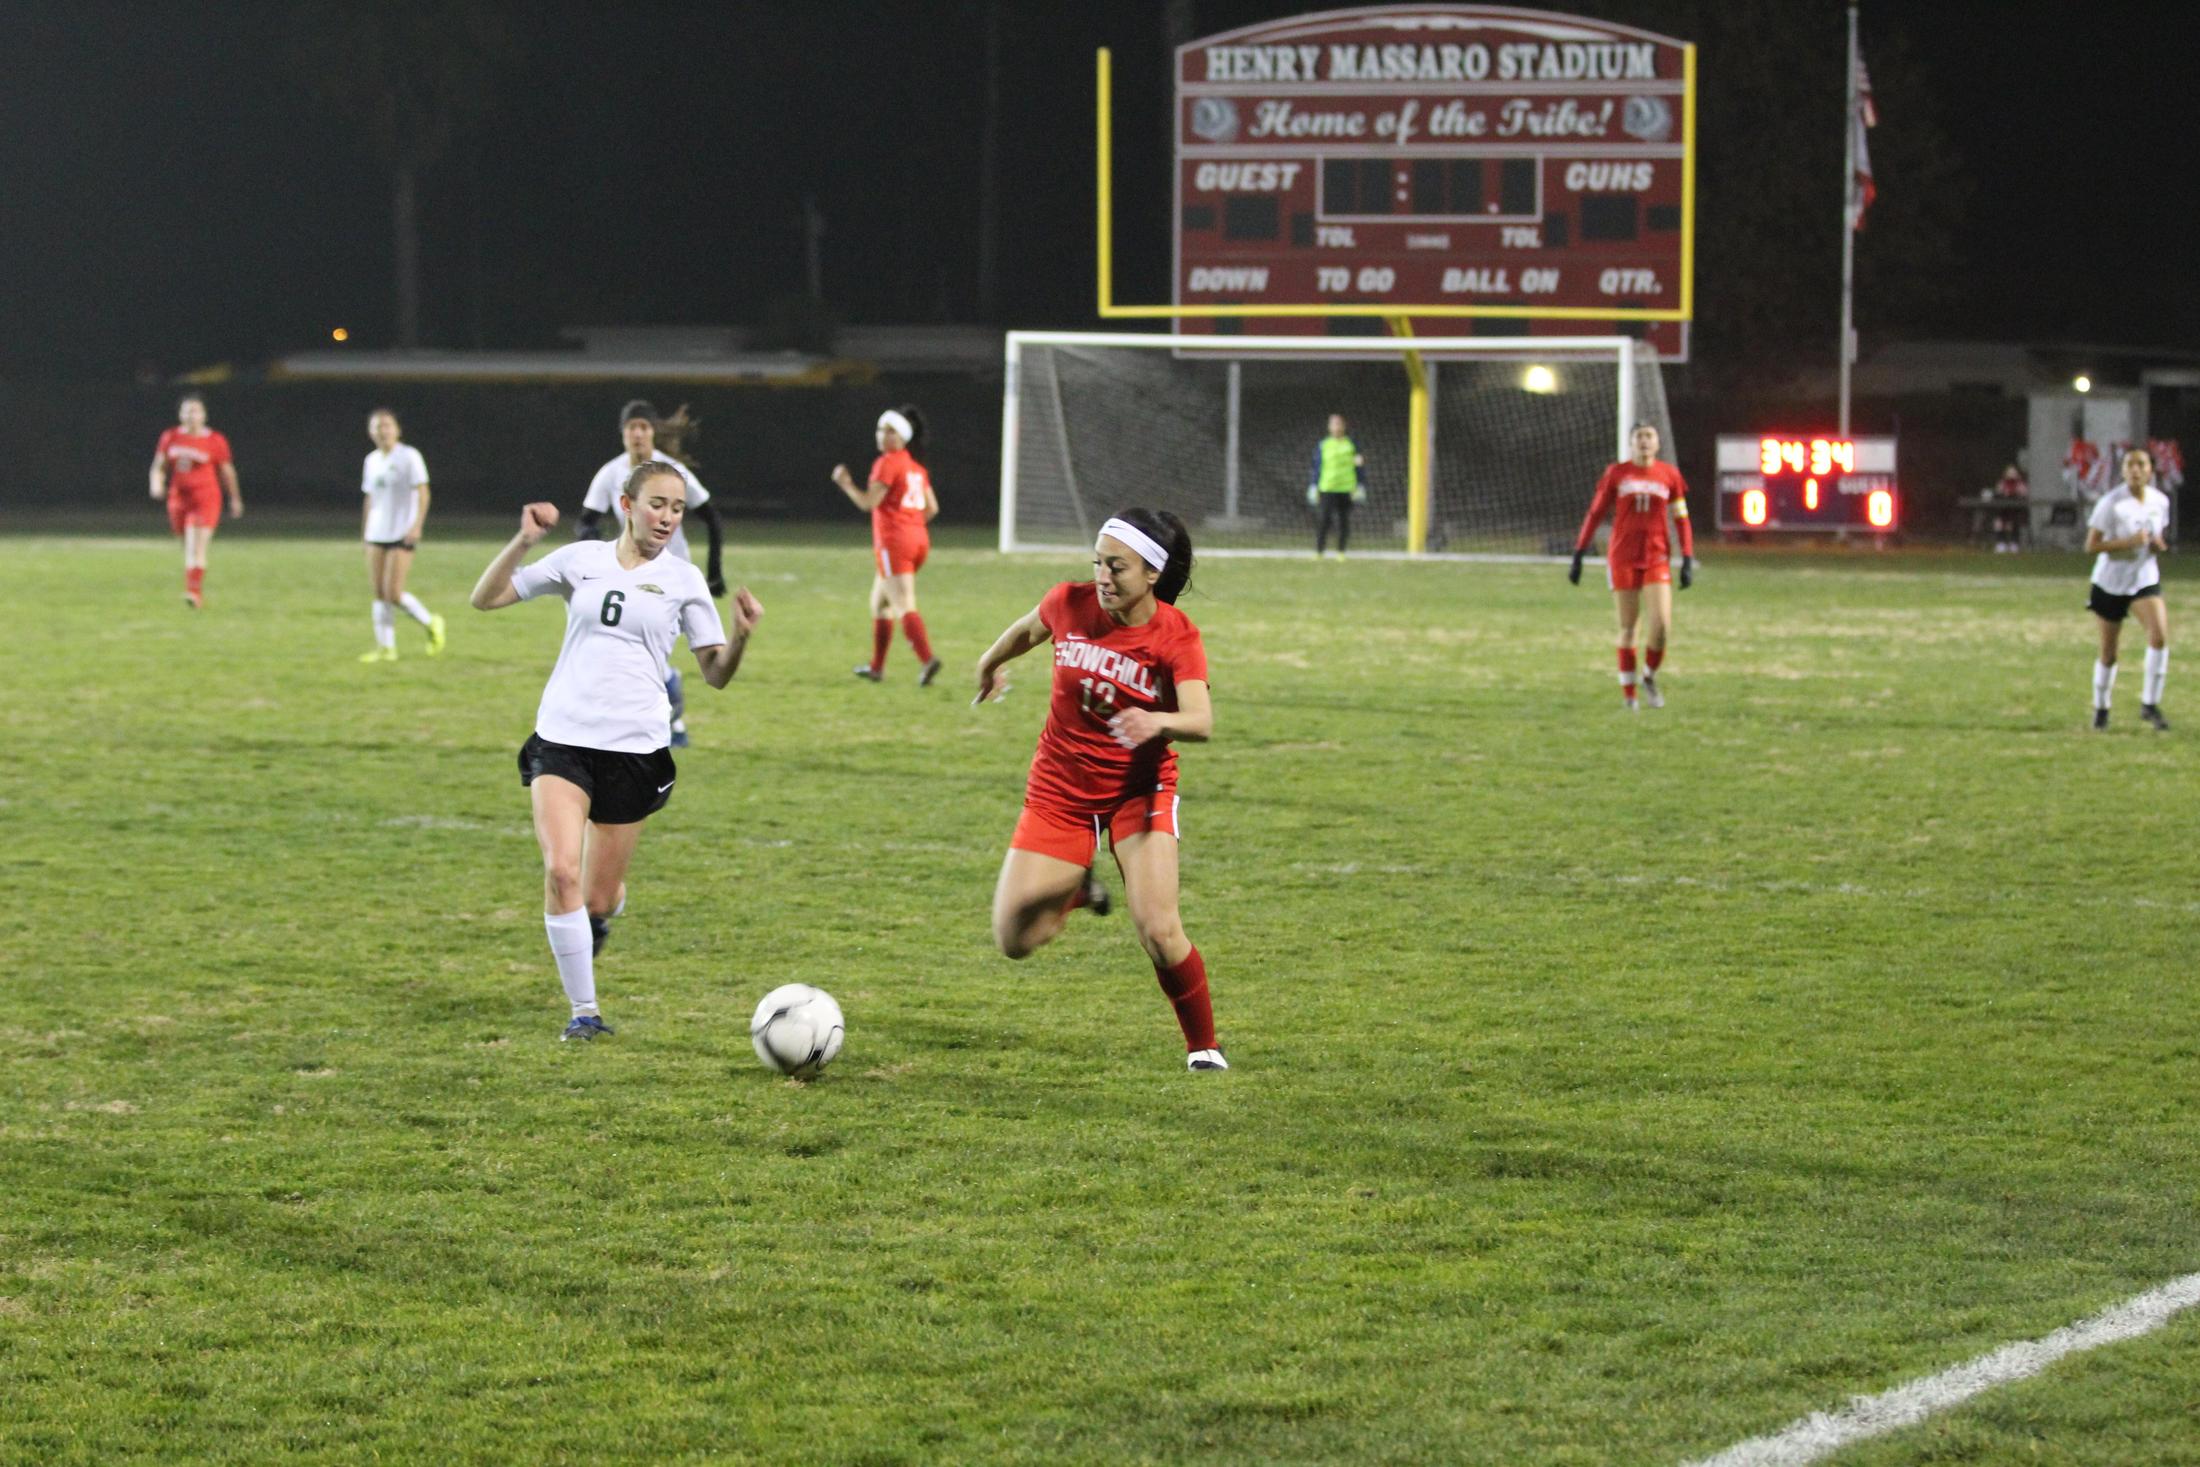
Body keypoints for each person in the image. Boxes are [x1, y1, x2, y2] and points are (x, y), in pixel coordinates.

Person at [472, 465, 761, 1041]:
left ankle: (597, 917)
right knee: (560, 872)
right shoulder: (580, 559)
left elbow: (715, 674)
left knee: (598, 898)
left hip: (634, 749)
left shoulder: (683, 580)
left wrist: (743, 636)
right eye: (658, 505)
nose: (668, 518)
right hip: (564, 737)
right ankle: (585, 1013)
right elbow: (487, 598)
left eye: (677, 509)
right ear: (626, 504)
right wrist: (525, 540)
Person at [973, 508, 1225, 1071]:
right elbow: (1027, 630)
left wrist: (1157, 722)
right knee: (1013, 939)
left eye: (1117, 567)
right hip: (1061, 785)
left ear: (1153, 574)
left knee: (1158, 929)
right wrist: (991, 661)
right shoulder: (1070, 602)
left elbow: (1201, 719)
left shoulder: (1175, 635)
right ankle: (1075, 892)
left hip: (1140, 789)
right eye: (1098, 563)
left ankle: (1203, 1046)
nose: (1103, 577)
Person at [577, 400, 726, 747]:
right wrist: (597, 556)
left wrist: (714, 571)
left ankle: (663, 724)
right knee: (646, 657)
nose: (638, 434)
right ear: (623, 434)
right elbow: (585, 522)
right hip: (631, 575)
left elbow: (711, 516)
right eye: (632, 428)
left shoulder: (673, 471)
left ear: (652, 432)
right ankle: (668, 726)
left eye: (644, 427)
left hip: (673, 579)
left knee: (657, 657)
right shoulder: (612, 473)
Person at [1569, 422, 1694, 710]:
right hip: (1623, 557)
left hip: (1656, 557)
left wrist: (1687, 556)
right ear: (1631, 443)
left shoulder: (1669, 475)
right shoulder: (1617, 473)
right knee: (1629, 627)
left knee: (1661, 627)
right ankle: (1629, 696)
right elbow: (1596, 512)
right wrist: (1579, 552)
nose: (1645, 442)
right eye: (1639, 437)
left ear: (1658, 443)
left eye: (1649, 436)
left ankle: (1648, 676)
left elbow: (1682, 518)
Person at [832, 405, 941, 684]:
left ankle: (927, 659)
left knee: (903, 604)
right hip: (918, 542)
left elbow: (868, 503)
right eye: (880, 429)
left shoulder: (888, 462)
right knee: (879, 604)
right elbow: (932, 508)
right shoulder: (915, 467)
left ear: (902, 436)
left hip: (895, 543)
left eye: (890, 430)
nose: (882, 435)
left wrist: (845, 484)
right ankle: (876, 668)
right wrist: (912, 526)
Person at [2084, 446, 2171, 731]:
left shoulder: (2160, 501)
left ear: (2150, 470)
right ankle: (2101, 709)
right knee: (2109, 653)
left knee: (2158, 637)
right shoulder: (2111, 503)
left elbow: (2156, 538)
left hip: (2143, 580)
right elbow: (2091, 546)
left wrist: (2158, 546)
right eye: (2129, 465)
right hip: (2110, 583)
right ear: (2122, 471)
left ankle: (2149, 704)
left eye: (2141, 464)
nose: (2135, 470)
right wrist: (2127, 543)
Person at [357, 407, 447, 662]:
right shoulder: (371, 460)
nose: (382, 431)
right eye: (377, 427)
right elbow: (370, 498)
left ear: (397, 429)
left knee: (393, 593)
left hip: (401, 531)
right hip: (377, 532)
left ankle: (432, 623)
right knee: (378, 592)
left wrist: (416, 525)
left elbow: (423, 493)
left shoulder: (409, 456)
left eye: (386, 425)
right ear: (370, 432)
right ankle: (386, 648)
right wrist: (365, 533)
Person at [149, 393, 243, 608]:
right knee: (186, 546)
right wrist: (156, 483)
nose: (192, 415)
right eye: (187, 411)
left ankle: (194, 593)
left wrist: (235, 498)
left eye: (196, 411)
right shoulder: (170, 436)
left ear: (204, 415)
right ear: (180, 414)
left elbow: (227, 471)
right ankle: (194, 586)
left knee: (195, 547)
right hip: (178, 500)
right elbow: (159, 465)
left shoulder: (214, 440)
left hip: (205, 499)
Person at [1306, 412, 1366, 558]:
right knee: (1324, 520)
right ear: (1329, 427)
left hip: (1346, 488)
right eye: (1333, 424)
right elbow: (1316, 466)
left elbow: (1359, 465)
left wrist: (1360, 485)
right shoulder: (1323, 445)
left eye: (1339, 423)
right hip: (1327, 487)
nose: (1336, 427)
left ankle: (1341, 552)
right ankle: (1319, 551)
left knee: (1343, 520)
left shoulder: (1352, 444)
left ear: (1344, 426)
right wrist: (1313, 485)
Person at [1992, 462, 2029, 554]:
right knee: (1998, 522)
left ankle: (2014, 543)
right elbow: (1997, 493)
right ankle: (2001, 543)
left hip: (2016, 511)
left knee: (2014, 521)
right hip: (2004, 510)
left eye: (2013, 473)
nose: (2011, 475)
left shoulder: (2020, 484)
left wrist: (2017, 493)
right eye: (2009, 473)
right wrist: (2003, 493)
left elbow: (2024, 495)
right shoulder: (2002, 483)